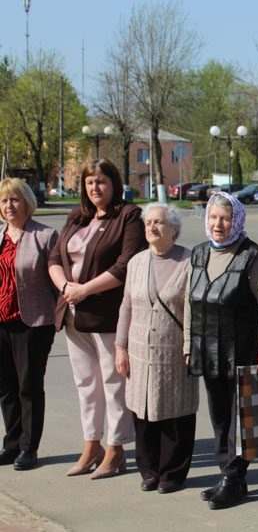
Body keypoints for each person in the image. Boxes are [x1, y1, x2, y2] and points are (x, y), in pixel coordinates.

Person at [48, 159, 146, 479]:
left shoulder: (129, 216)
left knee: (113, 384)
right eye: (89, 182)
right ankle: (92, 444)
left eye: (101, 181)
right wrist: (66, 288)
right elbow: (54, 258)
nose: (95, 188)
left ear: (114, 183)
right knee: (86, 384)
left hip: (107, 315)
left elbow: (125, 265)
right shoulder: (77, 216)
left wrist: (84, 290)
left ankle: (116, 447)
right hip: (73, 313)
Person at [184, 191, 258, 510]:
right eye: (213, 217)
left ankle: (234, 477)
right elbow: (189, 302)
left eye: (225, 218)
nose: (218, 224)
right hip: (208, 351)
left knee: (241, 419)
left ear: (236, 220)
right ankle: (227, 474)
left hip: (243, 351)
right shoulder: (199, 253)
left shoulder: (253, 256)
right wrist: (188, 344)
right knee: (220, 417)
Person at [115, 203, 198, 494]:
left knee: (175, 411)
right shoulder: (136, 262)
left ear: (174, 229)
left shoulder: (189, 261)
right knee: (143, 410)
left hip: (175, 349)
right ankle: (149, 470)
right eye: (148, 222)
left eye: (159, 222)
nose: (152, 227)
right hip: (139, 351)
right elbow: (126, 306)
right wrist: (120, 347)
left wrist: (190, 347)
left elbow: (194, 310)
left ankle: (172, 472)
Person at [0, 178, 58, 471]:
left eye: (15, 199)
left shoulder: (45, 235)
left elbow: (57, 280)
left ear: (27, 202)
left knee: (29, 386)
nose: (9, 206)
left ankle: (28, 448)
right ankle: (11, 444)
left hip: (32, 323)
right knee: (5, 387)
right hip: (1, 321)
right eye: (4, 201)